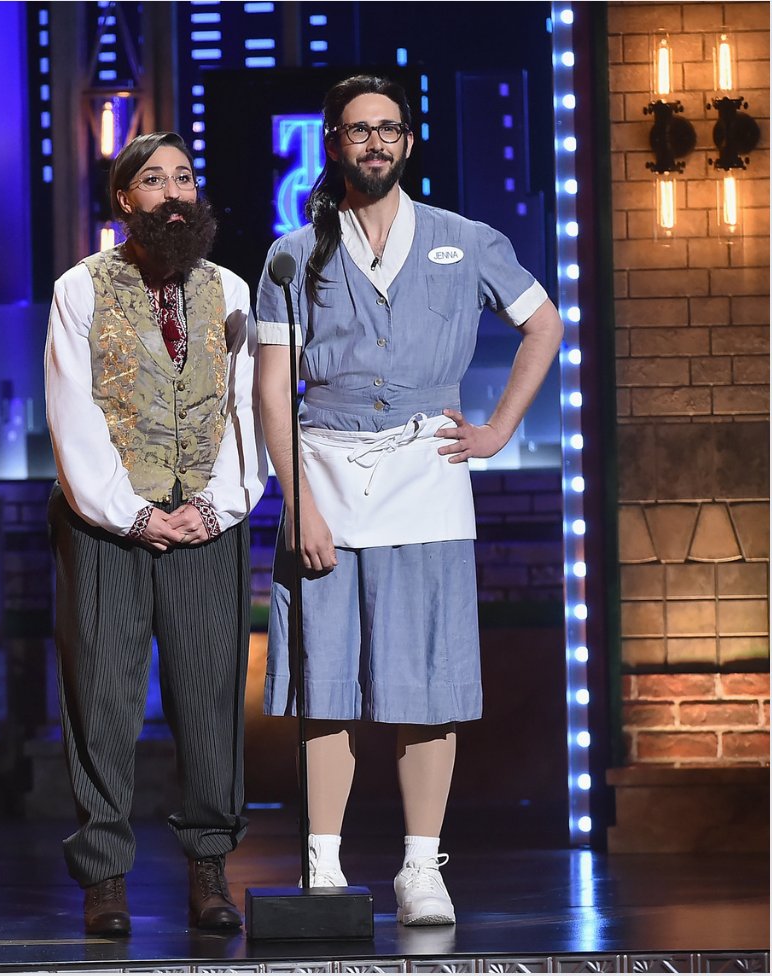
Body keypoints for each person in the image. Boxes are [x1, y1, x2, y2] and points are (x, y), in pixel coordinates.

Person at [256, 76, 563, 926]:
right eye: (360, 131)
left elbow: (545, 324)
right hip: (326, 473)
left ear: (409, 142)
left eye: (390, 129)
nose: (376, 143)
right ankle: (322, 863)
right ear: (334, 143)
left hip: (426, 474)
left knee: (427, 680)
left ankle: (421, 869)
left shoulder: (466, 241)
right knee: (328, 680)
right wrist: (297, 502)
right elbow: (273, 390)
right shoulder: (292, 253)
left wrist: (499, 428)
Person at [45, 131, 266, 936]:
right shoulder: (81, 290)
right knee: (102, 699)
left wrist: (218, 504)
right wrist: (134, 513)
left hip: (207, 520)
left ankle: (209, 865)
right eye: (153, 180)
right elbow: (72, 417)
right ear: (124, 200)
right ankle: (104, 875)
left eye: (184, 178)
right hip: (106, 526)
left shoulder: (235, 291)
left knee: (210, 697)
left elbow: (252, 415)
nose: (173, 192)